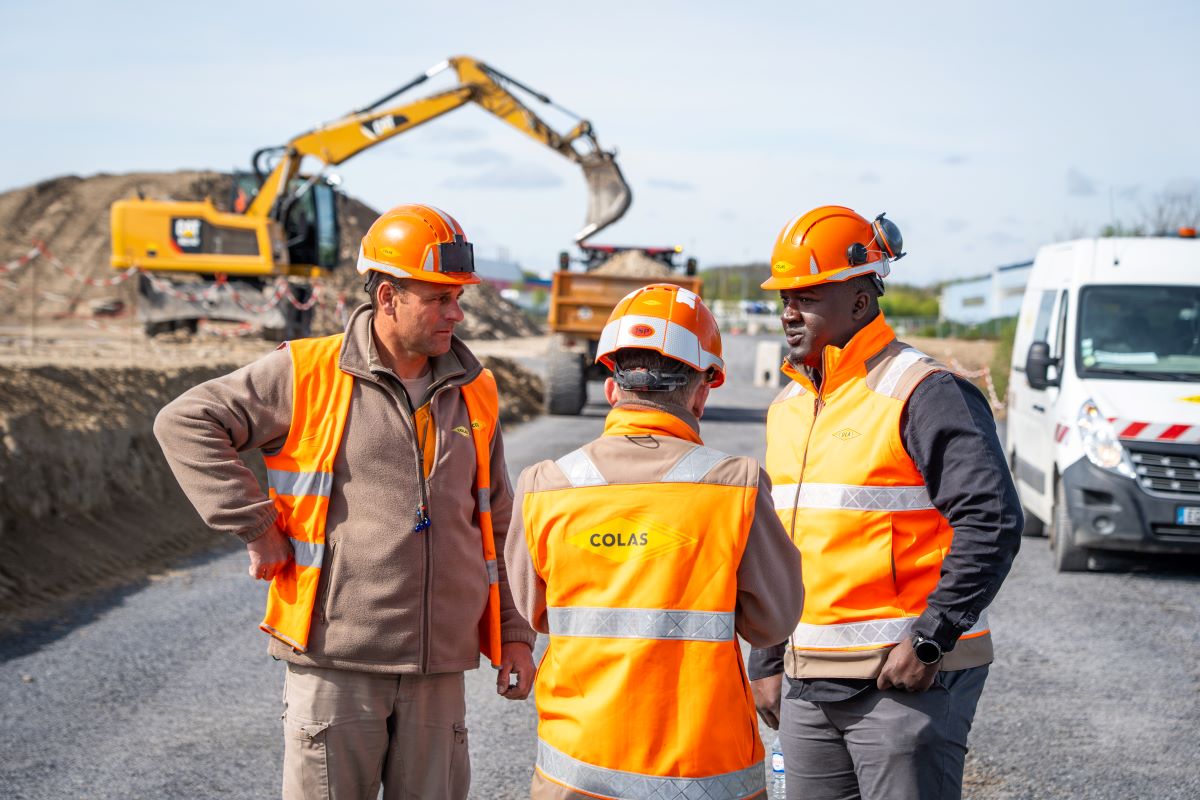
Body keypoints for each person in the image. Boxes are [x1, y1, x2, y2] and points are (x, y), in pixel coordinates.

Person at [154, 203, 536, 800]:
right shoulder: (307, 372)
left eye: (458, 297)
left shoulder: (475, 388)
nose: (456, 313)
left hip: (438, 669)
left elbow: (498, 520)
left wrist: (513, 631)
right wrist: (255, 525)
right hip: (335, 661)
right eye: (439, 298)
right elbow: (185, 422)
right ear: (387, 297)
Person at [748, 206, 1022, 800]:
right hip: (806, 683)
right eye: (785, 297)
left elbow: (993, 519)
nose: (789, 312)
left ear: (860, 299)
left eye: (807, 295)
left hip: (905, 682)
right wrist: (767, 658)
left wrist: (931, 638)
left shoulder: (924, 391)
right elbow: (784, 543)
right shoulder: (790, 407)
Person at [505, 283, 805, 800]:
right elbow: (774, 622)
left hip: (577, 771)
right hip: (704, 774)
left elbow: (536, 611)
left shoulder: (545, 486)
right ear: (701, 391)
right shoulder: (737, 487)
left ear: (611, 387)